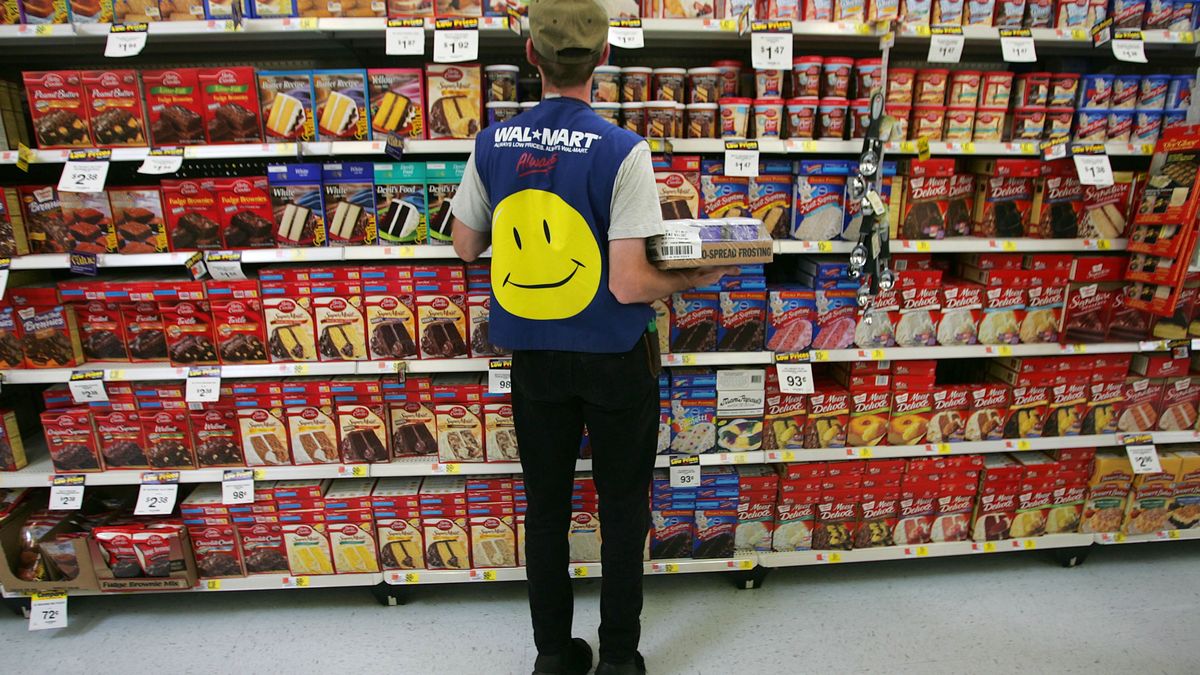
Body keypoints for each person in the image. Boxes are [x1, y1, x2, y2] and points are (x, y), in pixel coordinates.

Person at [450, 1, 732, 672]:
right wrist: (691, 277)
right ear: (603, 59)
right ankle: (619, 657)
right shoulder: (621, 149)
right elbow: (631, 285)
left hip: (536, 358)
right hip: (612, 356)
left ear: (530, 58)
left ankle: (552, 655)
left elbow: (465, 245)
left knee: (545, 509)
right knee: (622, 506)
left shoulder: (494, 141)